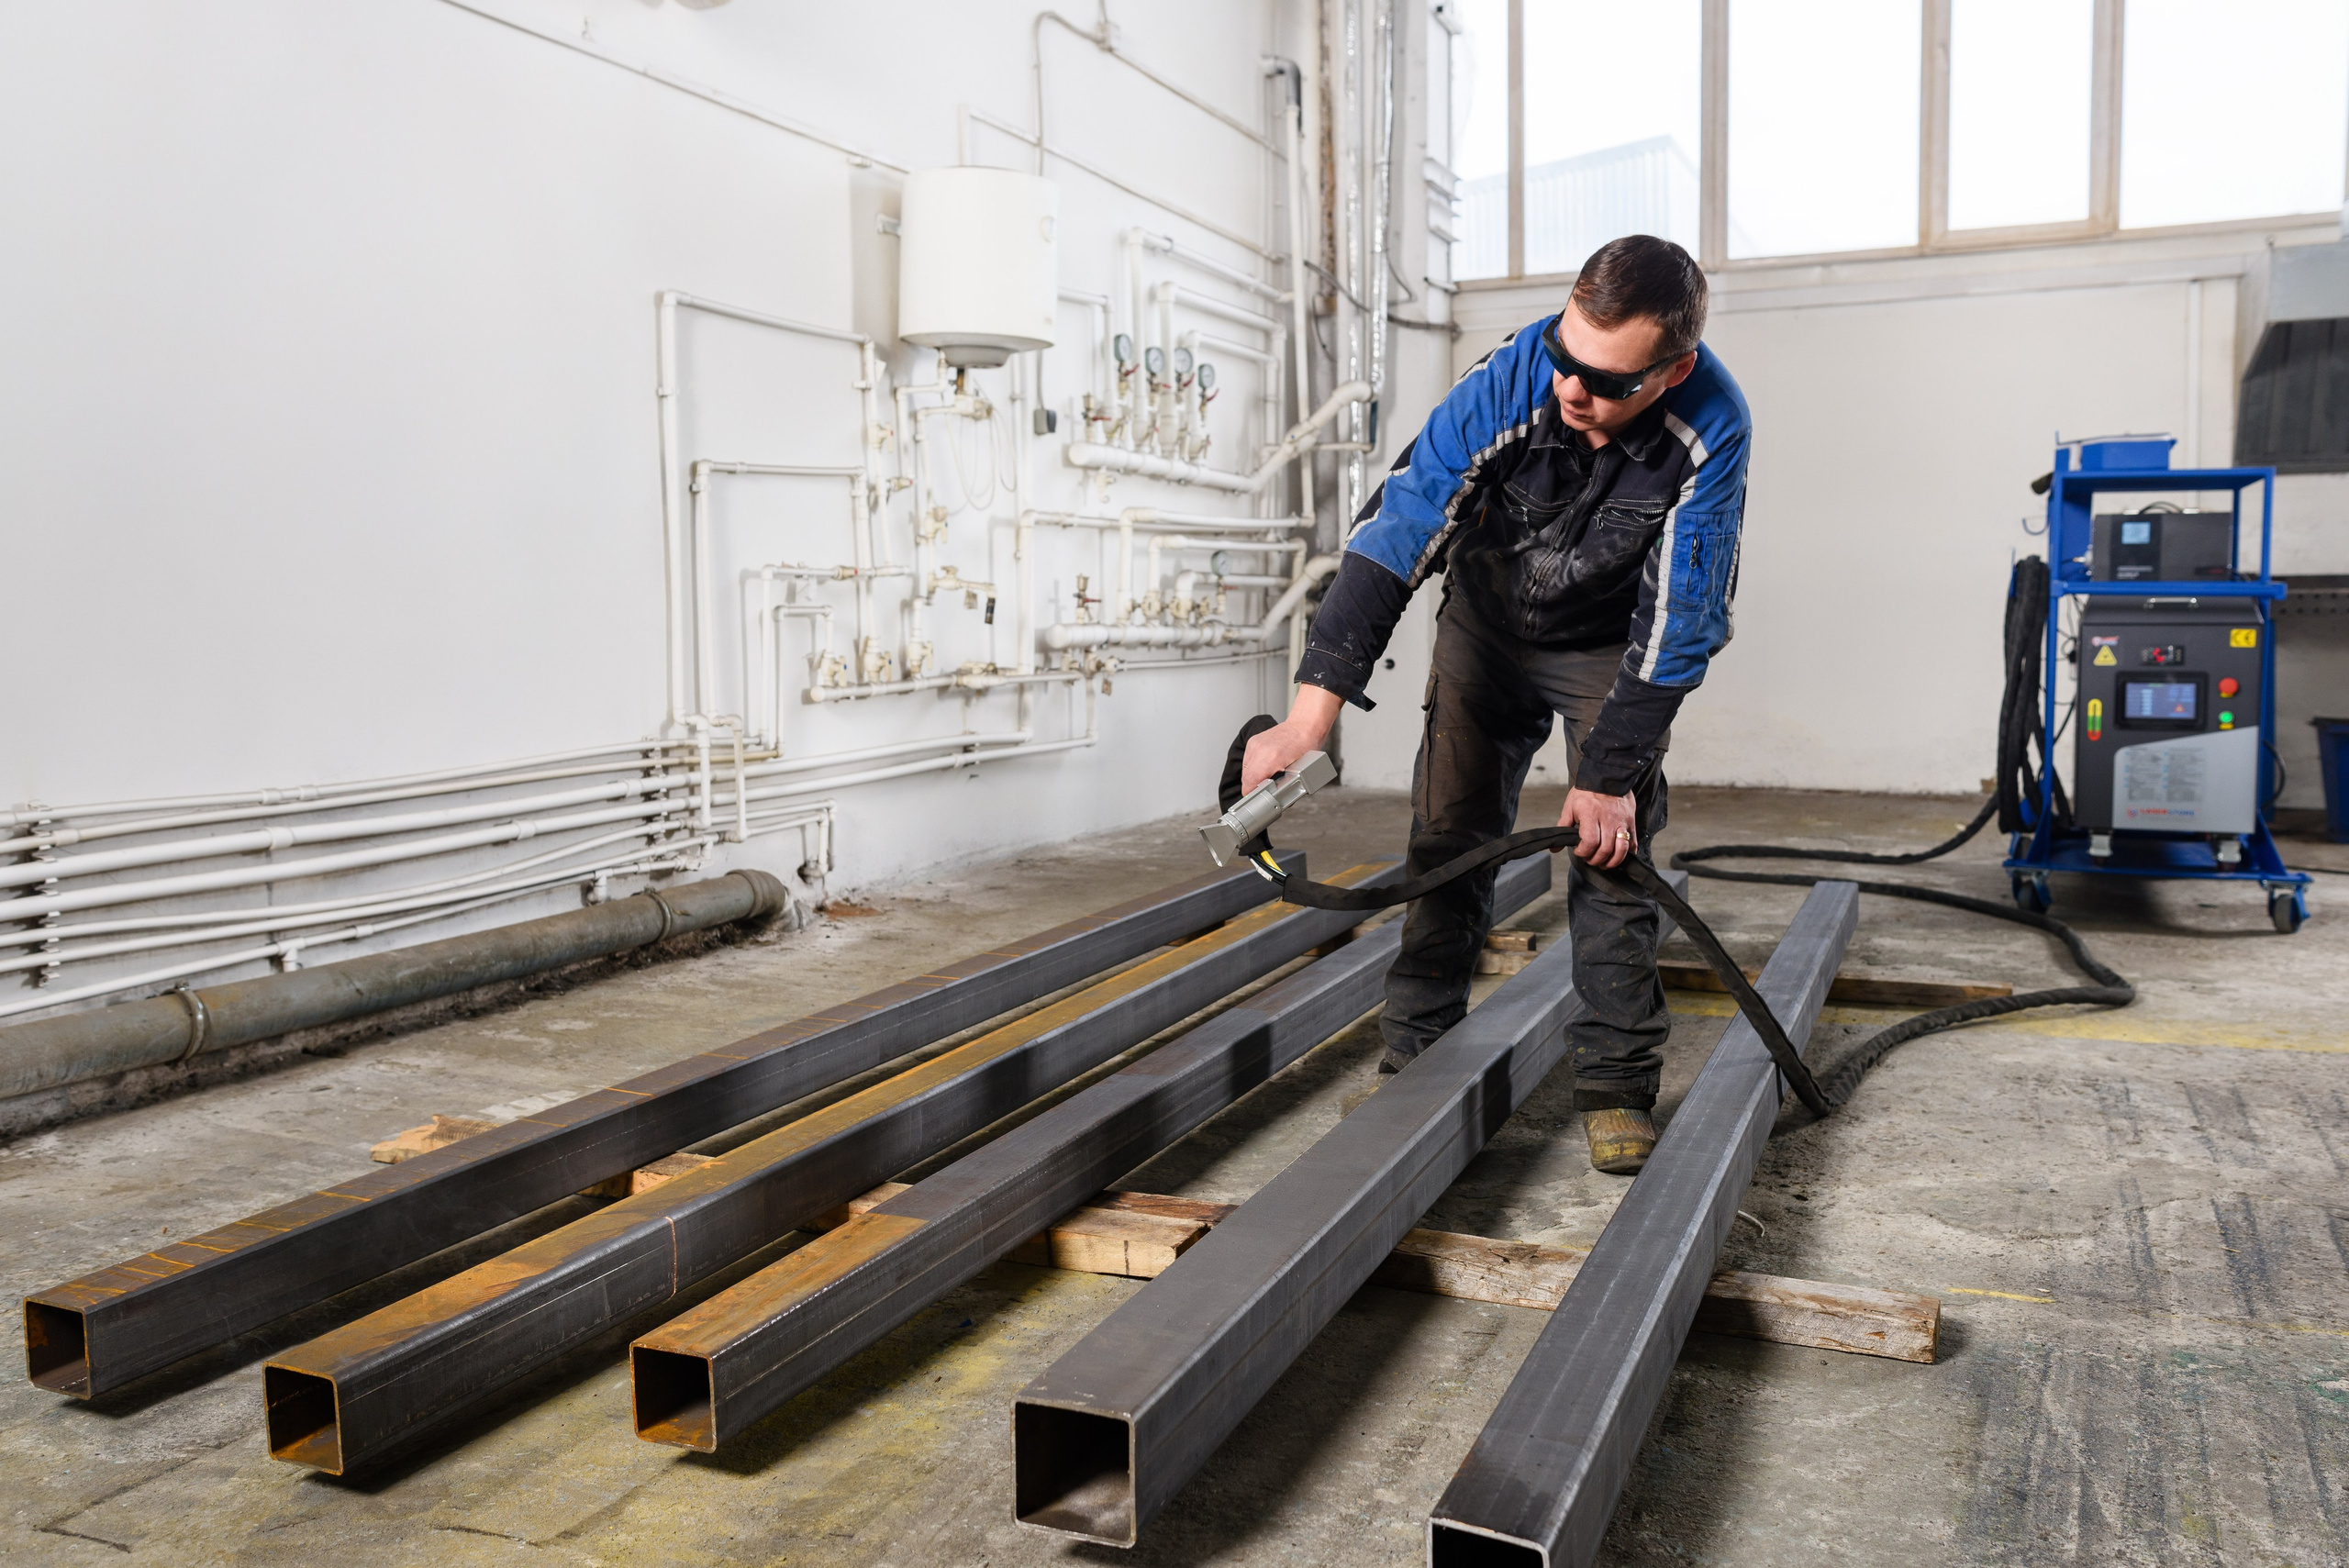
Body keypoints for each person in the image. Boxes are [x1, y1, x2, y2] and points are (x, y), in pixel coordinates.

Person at [1240, 234, 1751, 1175]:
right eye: (1564, 357)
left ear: (1672, 371)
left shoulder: (1711, 425)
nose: (1571, 391)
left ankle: (1614, 1082)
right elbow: (1395, 533)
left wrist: (1609, 776)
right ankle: (1415, 1050)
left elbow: (1683, 617)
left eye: (1604, 381)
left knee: (1610, 855)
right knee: (1449, 836)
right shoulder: (1512, 379)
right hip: (1483, 625)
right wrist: (1310, 717)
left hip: (1606, 648)